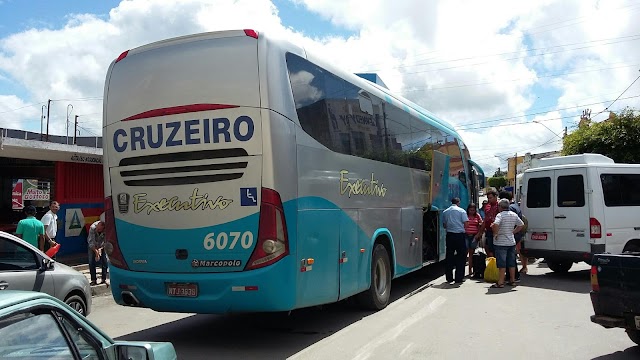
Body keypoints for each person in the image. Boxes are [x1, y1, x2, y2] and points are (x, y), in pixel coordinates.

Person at [490, 199, 524, 288]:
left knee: (501, 263)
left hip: (501, 242)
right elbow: (521, 224)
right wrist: (513, 232)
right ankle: (512, 280)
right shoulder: (513, 214)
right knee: (511, 262)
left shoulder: (500, 215)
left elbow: (496, 224)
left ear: (500, 207)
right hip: (511, 242)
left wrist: (495, 233)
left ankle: (500, 282)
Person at [499, 190, 528, 280]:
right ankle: (513, 277)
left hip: (509, 236)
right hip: (516, 234)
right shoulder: (516, 206)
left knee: (509, 257)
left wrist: (512, 232)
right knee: (512, 256)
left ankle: (511, 276)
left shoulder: (510, 208)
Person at [442, 198, 469, 284]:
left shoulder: (445, 212)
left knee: (449, 256)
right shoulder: (462, 211)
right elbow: (466, 223)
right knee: (461, 256)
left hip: (450, 235)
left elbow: (444, 224)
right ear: (458, 202)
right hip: (459, 235)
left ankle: (449, 278)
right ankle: (459, 278)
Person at [478, 189, 499, 257]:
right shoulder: (487, 206)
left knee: (497, 249)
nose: (489, 199)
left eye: (491, 198)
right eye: (488, 198)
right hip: (489, 231)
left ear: (495, 197)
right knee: (490, 248)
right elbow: (485, 220)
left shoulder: (499, 205)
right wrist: (480, 232)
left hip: (497, 231)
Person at [465, 203, 483, 276]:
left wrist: (478, 234)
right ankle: (463, 270)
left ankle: (470, 269)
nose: (471, 211)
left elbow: (481, 223)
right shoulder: (465, 215)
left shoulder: (477, 216)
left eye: (473, 210)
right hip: (465, 235)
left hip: (474, 237)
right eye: (470, 210)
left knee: (471, 254)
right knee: (465, 253)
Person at [87, 220, 108, 286]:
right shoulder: (92, 228)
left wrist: (100, 250)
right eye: (97, 228)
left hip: (101, 245)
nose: (98, 230)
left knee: (104, 261)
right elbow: (91, 242)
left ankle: (103, 279)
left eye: (99, 229)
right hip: (92, 246)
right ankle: (93, 280)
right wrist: (96, 252)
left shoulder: (106, 230)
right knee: (91, 262)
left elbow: (105, 241)